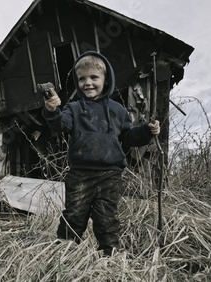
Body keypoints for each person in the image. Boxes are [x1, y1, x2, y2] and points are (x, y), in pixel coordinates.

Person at [42, 51, 160, 256]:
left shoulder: (118, 110)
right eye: (82, 79)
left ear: (106, 80)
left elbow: (129, 138)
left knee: (107, 219)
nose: (88, 83)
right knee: (74, 216)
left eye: (94, 77)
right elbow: (62, 124)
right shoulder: (74, 107)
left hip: (110, 175)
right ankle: (64, 256)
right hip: (80, 174)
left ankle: (110, 257)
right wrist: (52, 111)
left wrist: (147, 131)